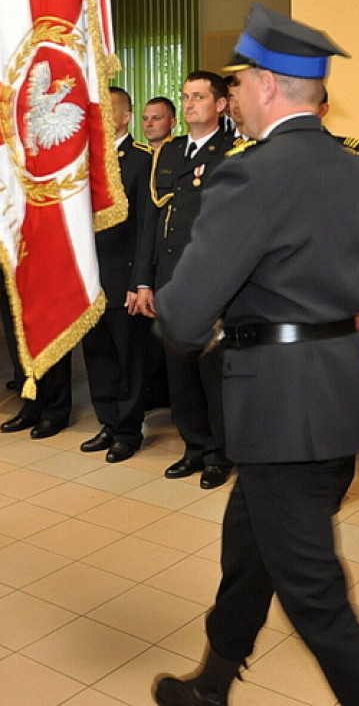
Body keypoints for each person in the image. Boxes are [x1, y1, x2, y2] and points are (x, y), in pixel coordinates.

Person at [152, 3, 359, 706]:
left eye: (233, 84)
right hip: (335, 404)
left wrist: (171, 313)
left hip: (277, 414)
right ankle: (213, 681)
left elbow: (186, 313)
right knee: (248, 548)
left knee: (315, 599)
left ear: (264, 85)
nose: (228, 98)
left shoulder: (248, 175)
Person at [132, 71, 233, 489]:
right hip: (171, 282)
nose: (190, 104)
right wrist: (143, 281)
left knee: (213, 376)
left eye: (199, 97)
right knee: (181, 376)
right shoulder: (169, 152)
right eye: (186, 97)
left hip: (212, 286)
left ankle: (219, 454)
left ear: (221, 104)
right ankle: (193, 447)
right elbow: (151, 223)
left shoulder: (235, 152)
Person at [80, 86, 152, 462]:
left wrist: (139, 281)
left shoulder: (141, 160)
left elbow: (146, 228)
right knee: (98, 357)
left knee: (129, 361)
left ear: (125, 117)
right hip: (90, 280)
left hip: (122, 278)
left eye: (109, 112)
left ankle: (128, 430)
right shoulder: (82, 162)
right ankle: (107, 421)